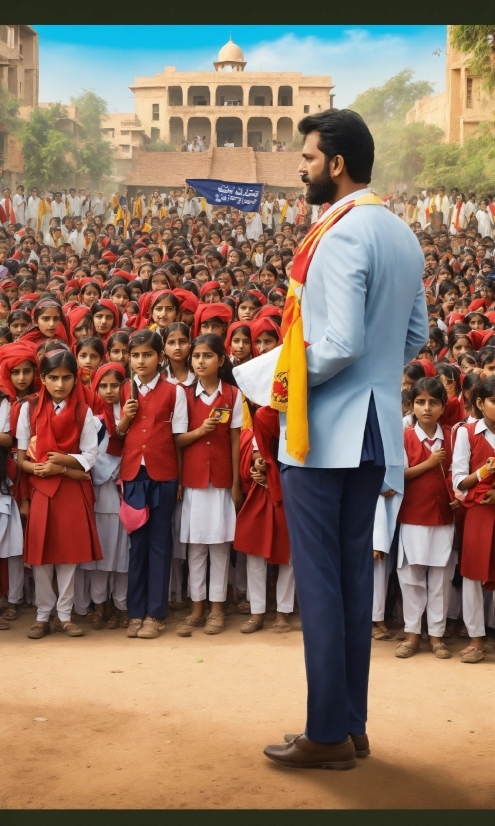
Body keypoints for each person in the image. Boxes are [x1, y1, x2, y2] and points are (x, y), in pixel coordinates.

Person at [257, 108, 428, 769]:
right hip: (375, 430)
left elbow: (337, 343)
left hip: (322, 429)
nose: (299, 166)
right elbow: (412, 338)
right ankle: (350, 723)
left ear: (335, 164)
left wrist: (277, 377)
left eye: (307, 156)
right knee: (354, 580)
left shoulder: (339, 235)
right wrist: (377, 378)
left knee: (323, 583)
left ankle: (326, 734)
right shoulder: (400, 233)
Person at [16, 348, 101, 639]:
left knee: (68, 556)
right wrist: (35, 468)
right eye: (53, 377)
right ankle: (42, 616)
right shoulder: (29, 408)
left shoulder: (83, 411)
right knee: (41, 557)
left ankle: (65, 615)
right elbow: (20, 457)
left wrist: (60, 464)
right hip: (41, 487)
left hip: (70, 488)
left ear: (76, 379)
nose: (60, 384)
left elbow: (91, 455)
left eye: (66, 378)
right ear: (42, 378)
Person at [117, 329, 187, 639]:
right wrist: (124, 419)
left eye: (147, 354)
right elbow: (118, 435)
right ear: (129, 359)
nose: (141, 360)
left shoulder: (176, 391)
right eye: (135, 355)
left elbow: (178, 441)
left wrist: (181, 480)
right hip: (134, 476)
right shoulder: (123, 391)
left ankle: (155, 614)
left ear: (160, 358)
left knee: (160, 544)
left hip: (164, 476)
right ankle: (135, 612)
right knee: (137, 546)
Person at [175, 334, 242, 637]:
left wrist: (236, 483)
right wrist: (201, 430)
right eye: (196, 356)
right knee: (196, 547)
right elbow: (177, 440)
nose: (200, 361)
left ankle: (217, 608)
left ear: (221, 360)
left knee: (219, 546)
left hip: (221, 482)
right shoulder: (183, 395)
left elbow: (236, 440)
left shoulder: (233, 395)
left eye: (207, 356)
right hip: (193, 481)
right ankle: (197, 607)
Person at [396, 377, 457, 659]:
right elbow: (396, 477)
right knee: (411, 577)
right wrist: (429, 463)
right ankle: (412, 635)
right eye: (420, 402)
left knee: (441, 580)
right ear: (412, 406)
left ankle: (436, 635)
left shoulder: (453, 436)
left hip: (444, 517)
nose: (427, 408)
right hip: (413, 516)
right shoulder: (405, 437)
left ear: (443, 406)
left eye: (433, 402)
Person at [79, 362, 130, 630]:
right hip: (100, 496)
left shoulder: (131, 416)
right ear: (94, 388)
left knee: (122, 557)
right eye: (103, 386)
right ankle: (99, 605)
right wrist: (110, 470)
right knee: (100, 557)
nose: (109, 391)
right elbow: (90, 457)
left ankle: (121, 605)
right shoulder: (92, 420)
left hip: (124, 497)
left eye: (115, 385)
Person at [452, 376, 495, 662]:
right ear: (480, 403)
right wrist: (483, 473)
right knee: (472, 575)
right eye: (494, 400)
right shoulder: (467, 433)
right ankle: (476, 640)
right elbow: (458, 482)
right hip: (478, 512)